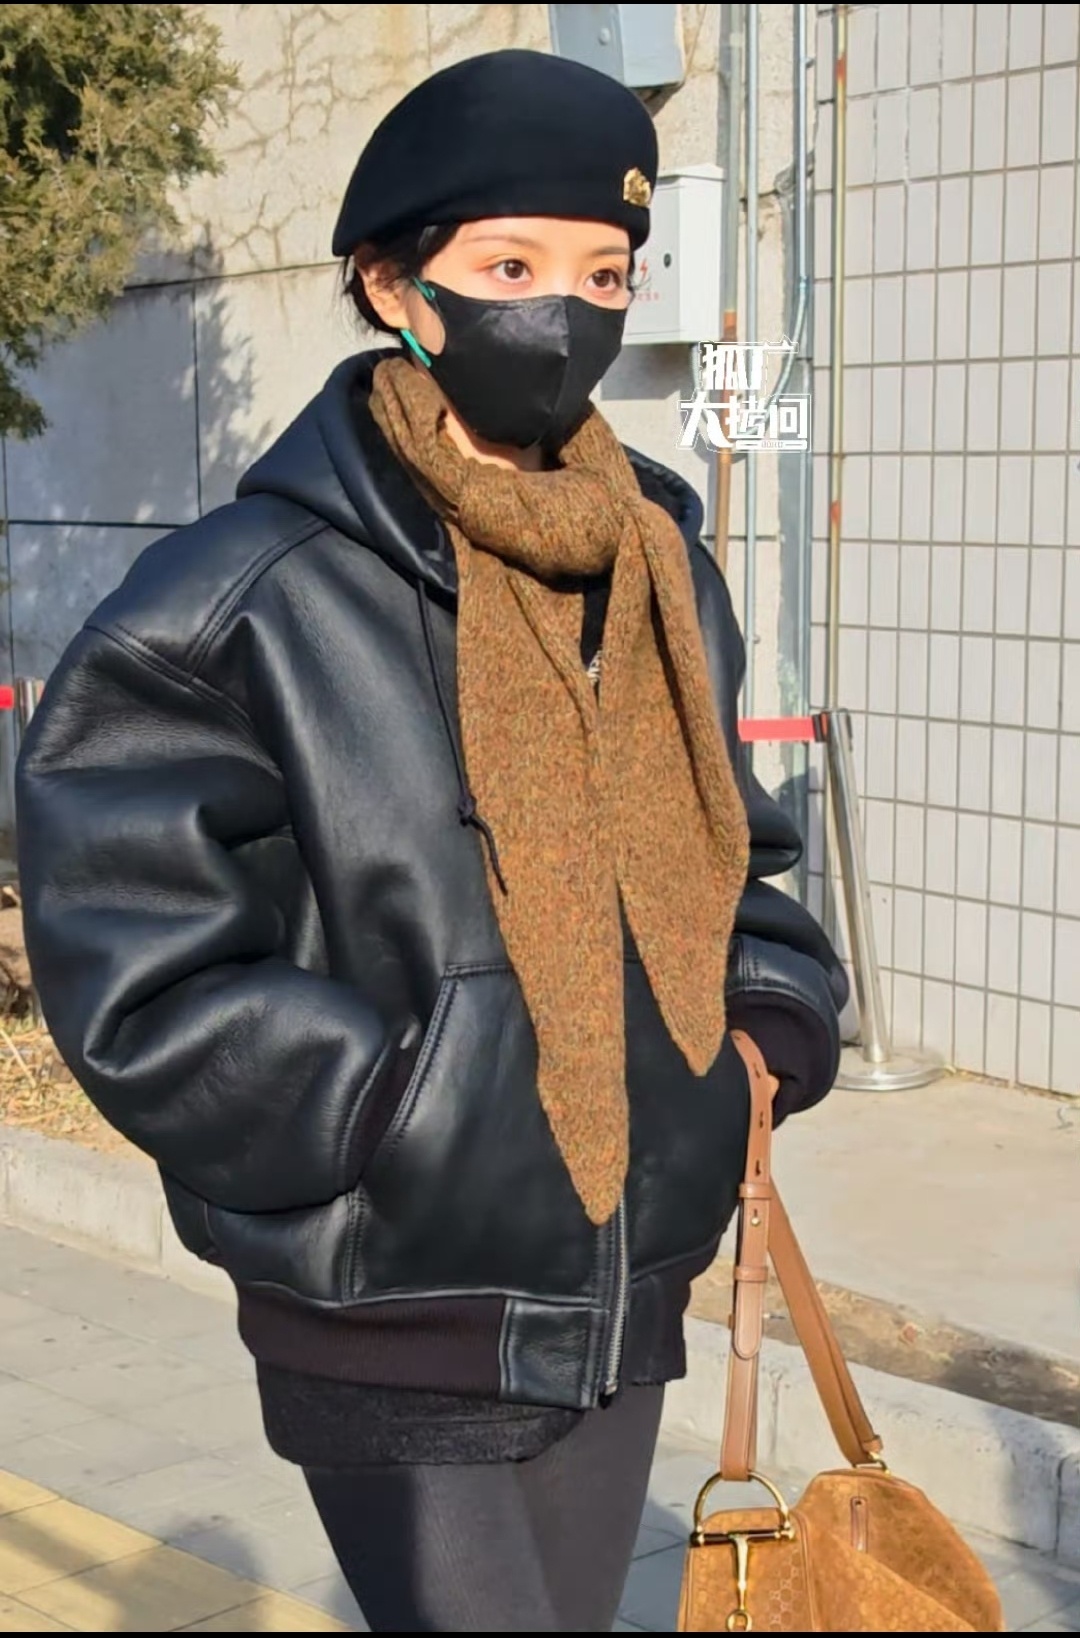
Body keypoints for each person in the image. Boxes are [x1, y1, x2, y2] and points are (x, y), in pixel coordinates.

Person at [16, 48, 847, 1636]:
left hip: (628, 1272)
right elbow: (130, 949)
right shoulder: (247, 592)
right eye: (511, 268)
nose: (566, 314)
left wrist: (764, 1026)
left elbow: (728, 849)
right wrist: (387, 1103)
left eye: (603, 274)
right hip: (390, 1293)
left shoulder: (658, 561)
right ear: (396, 287)